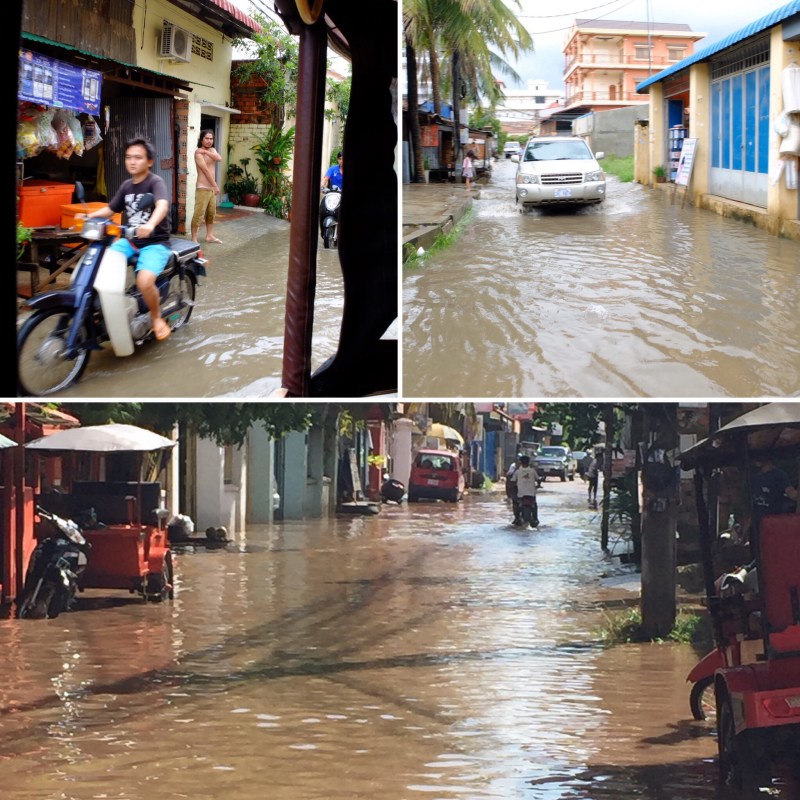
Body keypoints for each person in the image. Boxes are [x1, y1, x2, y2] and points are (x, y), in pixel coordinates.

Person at [85, 137, 172, 341]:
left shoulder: (155, 182)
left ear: (149, 161)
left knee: (143, 281)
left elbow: (162, 205)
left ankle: (156, 316)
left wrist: (150, 225)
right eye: (129, 157)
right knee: (99, 267)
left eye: (138, 158)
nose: (132, 162)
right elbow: (111, 209)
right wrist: (89, 216)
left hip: (155, 243)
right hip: (130, 241)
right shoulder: (126, 186)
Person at [191, 129, 222, 243]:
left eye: (211, 138)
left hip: (211, 189)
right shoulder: (198, 152)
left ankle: (209, 236)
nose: (209, 141)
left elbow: (219, 158)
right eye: (207, 138)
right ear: (201, 139)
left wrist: (207, 152)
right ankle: (194, 238)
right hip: (203, 188)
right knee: (199, 214)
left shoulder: (212, 150)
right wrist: (215, 185)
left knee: (210, 214)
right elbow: (205, 171)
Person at [752, 457, 798, 526]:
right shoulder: (757, 477)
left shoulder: (779, 475)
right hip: (758, 521)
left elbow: (791, 493)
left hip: (772, 521)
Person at [510, 455, 539, 526]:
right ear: (528, 462)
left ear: (520, 462)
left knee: (515, 504)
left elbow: (513, 481)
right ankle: (536, 518)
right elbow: (538, 479)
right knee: (534, 505)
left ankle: (516, 518)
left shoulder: (517, 472)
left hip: (521, 494)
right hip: (531, 494)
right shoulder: (533, 471)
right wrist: (538, 485)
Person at [506, 455, 522, 525]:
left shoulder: (528, 470)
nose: (519, 464)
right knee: (515, 502)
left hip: (526, 489)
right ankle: (516, 517)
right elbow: (509, 476)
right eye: (518, 463)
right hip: (516, 487)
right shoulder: (513, 468)